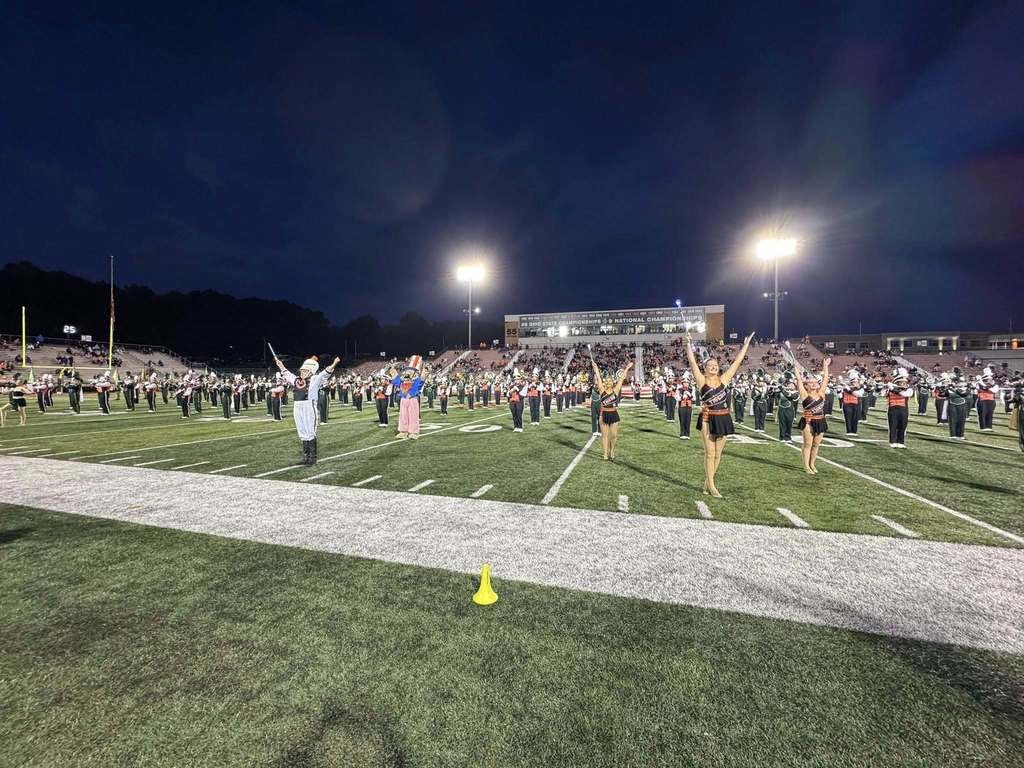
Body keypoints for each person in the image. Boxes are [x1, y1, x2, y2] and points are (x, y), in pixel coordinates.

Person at [685, 331, 754, 497]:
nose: (714, 367)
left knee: (718, 454)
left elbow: (737, 363)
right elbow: (692, 362)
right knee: (710, 453)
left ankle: (707, 483)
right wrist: (688, 344)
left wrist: (745, 346)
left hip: (723, 418)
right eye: (711, 366)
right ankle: (712, 486)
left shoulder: (724, 380)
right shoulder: (702, 380)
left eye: (716, 365)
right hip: (708, 418)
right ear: (706, 368)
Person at [274, 354, 340, 465]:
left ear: (310, 371)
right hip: (297, 406)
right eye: (302, 370)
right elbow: (287, 373)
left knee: (310, 431)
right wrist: (280, 365)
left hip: (309, 406)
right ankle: (305, 457)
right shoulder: (296, 380)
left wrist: (334, 363)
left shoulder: (315, 379)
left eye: (305, 371)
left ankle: (312, 458)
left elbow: (326, 373)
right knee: (302, 431)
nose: (302, 372)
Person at [791, 353, 833, 474]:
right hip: (808, 421)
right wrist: (796, 369)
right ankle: (806, 466)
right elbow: (799, 380)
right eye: (811, 382)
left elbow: (825, 379)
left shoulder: (821, 393)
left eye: (815, 382)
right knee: (808, 444)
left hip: (821, 420)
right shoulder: (804, 394)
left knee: (816, 445)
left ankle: (812, 464)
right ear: (806, 385)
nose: (814, 383)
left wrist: (825, 366)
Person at [591, 358, 633, 460]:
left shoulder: (616, 389)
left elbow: (622, 378)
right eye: (607, 381)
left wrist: (627, 368)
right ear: (605, 383)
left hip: (614, 414)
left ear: (612, 382)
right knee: (604, 436)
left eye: (610, 381)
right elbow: (598, 377)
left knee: (614, 435)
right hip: (604, 414)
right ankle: (605, 453)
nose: (608, 382)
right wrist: (596, 368)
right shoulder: (601, 389)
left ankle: (612, 450)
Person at [885, 368, 914, 448]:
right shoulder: (890, 388)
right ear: (897, 382)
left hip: (903, 409)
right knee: (893, 425)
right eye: (901, 382)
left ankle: (901, 442)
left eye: (905, 382)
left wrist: (894, 389)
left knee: (903, 425)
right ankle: (893, 441)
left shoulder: (909, 389)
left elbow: (906, 394)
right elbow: (880, 393)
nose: (904, 383)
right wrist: (888, 388)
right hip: (893, 409)